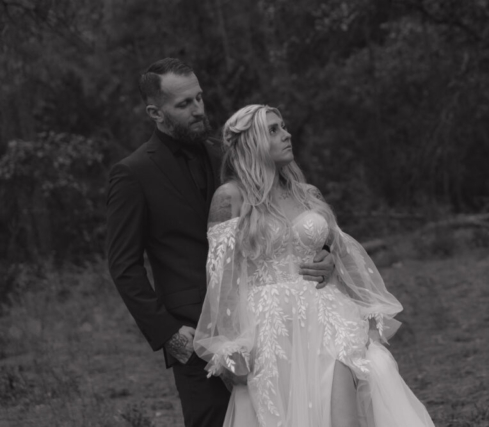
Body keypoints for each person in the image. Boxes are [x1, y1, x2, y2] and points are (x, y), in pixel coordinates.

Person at [106, 59, 334, 427]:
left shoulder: (231, 156)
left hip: (269, 322)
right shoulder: (133, 174)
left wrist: (325, 256)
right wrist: (170, 336)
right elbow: (123, 266)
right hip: (196, 333)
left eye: (199, 98)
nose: (198, 110)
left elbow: (286, 215)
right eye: (184, 104)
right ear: (155, 112)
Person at [194, 104, 436, 427]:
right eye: (274, 130)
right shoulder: (231, 197)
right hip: (272, 328)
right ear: (251, 142)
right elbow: (220, 279)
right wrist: (230, 345)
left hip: (329, 314)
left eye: (284, 126)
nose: (287, 134)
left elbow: (342, 249)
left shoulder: (306, 194)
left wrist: (331, 260)